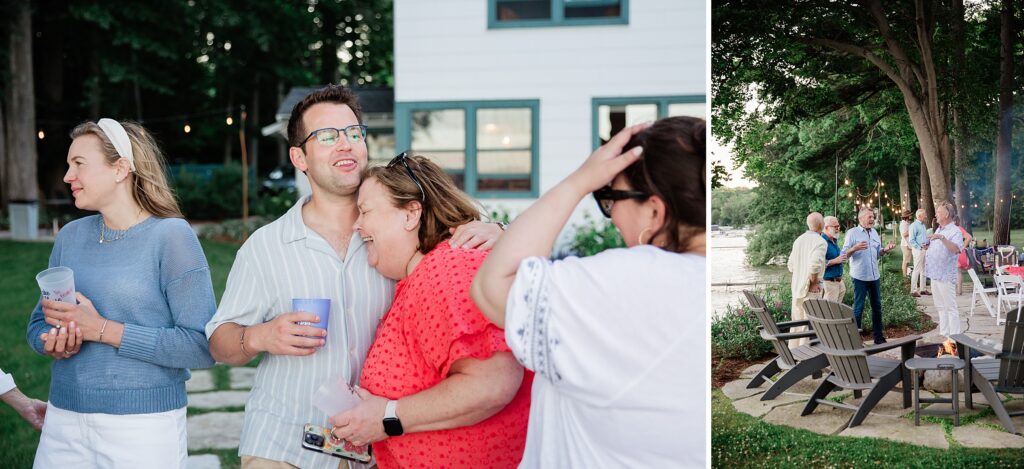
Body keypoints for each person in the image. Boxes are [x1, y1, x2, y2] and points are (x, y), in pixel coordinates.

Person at [204, 85, 503, 469]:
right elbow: (218, 344)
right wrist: (260, 336)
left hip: (377, 448)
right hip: (284, 446)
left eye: (353, 133)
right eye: (327, 137)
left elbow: (456, 240)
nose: (345, 144)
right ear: (300, 157)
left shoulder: (402, 234)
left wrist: (498, 232)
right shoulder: (266, 247)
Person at [471, 117, 706, 467]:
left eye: (610, 198)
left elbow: (493, 286)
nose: (611, 217)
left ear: (655, 211)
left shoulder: (632, 283)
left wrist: (579, 181)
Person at [27, 119, 217, 467]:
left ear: (120, 169)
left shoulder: (172, 236)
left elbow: (201, 346)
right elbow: (37, 325)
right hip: (63, 419)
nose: (68, 176)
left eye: (79, 164)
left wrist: (100, 329)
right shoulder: (70, 236)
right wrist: (54, 340)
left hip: (142, 428)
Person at [326, 154, 531, 468]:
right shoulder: (423, 276)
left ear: (410, 214)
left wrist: (387, 417)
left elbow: (492, 384)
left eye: (365, 211)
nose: (357, 225)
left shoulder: (447, 269)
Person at [842, 207, 897, 344]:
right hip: (859, 276)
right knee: (859, 307)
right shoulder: (852, 233)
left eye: (873, 217)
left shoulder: (874, 233)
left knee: (877, 307)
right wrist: (854, 248)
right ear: (861, 219)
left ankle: (878, 338)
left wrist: (886, 250)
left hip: (874, 276)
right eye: (870, 217)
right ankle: (854, 340)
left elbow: (879, 252)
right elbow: (843, 254)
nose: (872, 219)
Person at [925, 202, 965, 339]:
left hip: (945, 275)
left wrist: (942, 238)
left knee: (950, 307)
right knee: (940, 307)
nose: (936, 214)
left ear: (946, 215)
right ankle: (944, 333)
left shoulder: (954, 231)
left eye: (938, 212)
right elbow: (938, 247)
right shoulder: (939, 229)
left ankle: (955, 338)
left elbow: (956, 250)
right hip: (935, 274)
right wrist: (928, 247)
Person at [787, 212, 827, 347]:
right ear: (822, 225)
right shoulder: (820, 241)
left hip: (796, 287)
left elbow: (790, 266)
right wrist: (814, 282)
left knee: (796, 323)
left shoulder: (798, 240)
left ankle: (794, 353)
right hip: (810, 288)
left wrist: (801, 273)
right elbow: (815, 265)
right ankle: (806, 359)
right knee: (809, 324)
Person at [822, 215, 848, 304]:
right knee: (829, 312)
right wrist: (835, 261)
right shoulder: (822, 242)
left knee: (836, 311)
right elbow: (818, 263)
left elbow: (837, 258)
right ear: (826, 227)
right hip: (829, 282)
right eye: (835, 226)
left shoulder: (834, 240)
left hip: (839, 281)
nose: (838, 228)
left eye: (838, 226)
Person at [909, 208, 930, 297]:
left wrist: (927, 244)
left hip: (924, 249)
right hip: (918, 250)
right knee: (917, 269)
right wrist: (921, 246)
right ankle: (913, 290)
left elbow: (923, 237)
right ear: (919, 216)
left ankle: (923, 289)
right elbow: (911, 240)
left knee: (924, 269)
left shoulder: (923, 225)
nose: (926, 215)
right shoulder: (914, 225)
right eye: (924, 214)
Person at [955, 214, 973, 295]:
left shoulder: (955, 229)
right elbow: (969, 237)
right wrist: (962, 247)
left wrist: (962, 247)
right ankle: (959, 290)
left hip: (955, 252)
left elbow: (969, 237)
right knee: (958, 272)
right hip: (959, 252)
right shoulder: (959, 229)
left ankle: (957, 290)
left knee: (956, 271)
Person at [900, 210, 913, 277]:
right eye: (910, 215)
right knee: (905, 261)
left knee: (907, 261)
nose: (911, 216)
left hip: (907, 244)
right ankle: (905, 276)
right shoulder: (903, 224)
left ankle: (906, 276)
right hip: (905, 244)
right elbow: (904, 234)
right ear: (907, 216)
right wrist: (912, 230)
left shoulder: (907, 223)